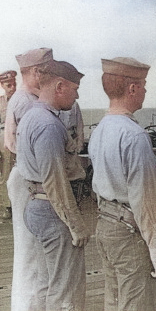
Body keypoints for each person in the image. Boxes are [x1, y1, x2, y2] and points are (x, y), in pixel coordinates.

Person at [89, 57, 156, 311]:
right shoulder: (135, 136)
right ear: (132, 88)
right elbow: (146, 202)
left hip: (105, 223)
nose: (145, 90)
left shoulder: (100, 129)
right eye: (143, 84)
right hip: (129, 230)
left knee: (113, 299)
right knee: (137, 303)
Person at [17, 59, 89, 310]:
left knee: (45, 283)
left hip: (37, 206)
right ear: (59, 86)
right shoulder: (48, 124)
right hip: (53, 211)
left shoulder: (31, 115)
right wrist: (76, 225)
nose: (77, 94)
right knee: (65, 292)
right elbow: (56, 182)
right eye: (75, 88)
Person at [6, 47, 54, 311]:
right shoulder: (27, 102)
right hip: (28, 180)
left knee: (31, 254)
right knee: (32, 254)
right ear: (36, 72)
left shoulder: (21, 99)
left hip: (23, 178)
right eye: (47, 71)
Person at [59, 101, 86, 204]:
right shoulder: (54, 103)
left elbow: (80, 124)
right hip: (58, 139)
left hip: (71, 139)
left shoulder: (74, 104)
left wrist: (80, 143)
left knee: (73, 172)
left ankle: (75, 201)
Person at [0, 70, 17, 220]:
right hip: (4, 141)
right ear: (2, 85)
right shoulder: (0, 102)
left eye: (14, 84)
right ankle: (7, 206)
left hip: (19, 139)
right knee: (6, 174)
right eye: (8, 85)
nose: (12, 87)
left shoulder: (21, 100)